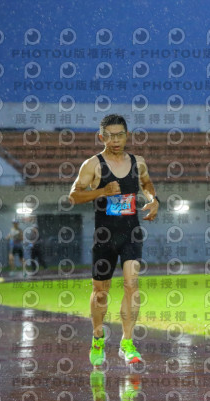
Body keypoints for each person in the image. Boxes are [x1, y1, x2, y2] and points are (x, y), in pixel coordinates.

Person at [69, 114, 159, 367]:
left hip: (131, 233)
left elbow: (147, 183)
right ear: (101, 137)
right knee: (101, 292)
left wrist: (153, 199)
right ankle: (98, 338)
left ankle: (127, 342)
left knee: (132, 283)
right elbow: (74, 195)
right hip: (104, 236)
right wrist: (101, 191)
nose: (115, 140)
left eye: (120, 135)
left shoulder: (137, 162)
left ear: (127, 135)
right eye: (109, 136)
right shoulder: (93, 165)